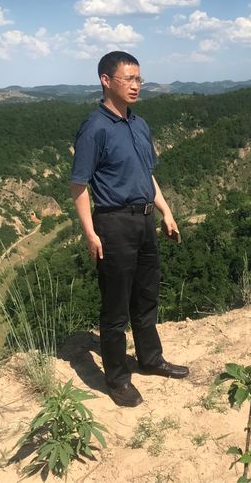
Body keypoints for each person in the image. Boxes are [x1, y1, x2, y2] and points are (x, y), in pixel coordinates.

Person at [70, 51, 188, 408]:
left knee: (146, 295)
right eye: (129, 79)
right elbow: (79, 186)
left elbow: (146, 175)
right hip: (114, 222)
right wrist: (91, 233)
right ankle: (118, 378)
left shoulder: (139, 124)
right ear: (106, 81)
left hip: (145, 219)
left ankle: (150, 360)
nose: (136, 85)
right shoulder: (95, 127)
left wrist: (166, 211)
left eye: (139, 78)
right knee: (116, 305)